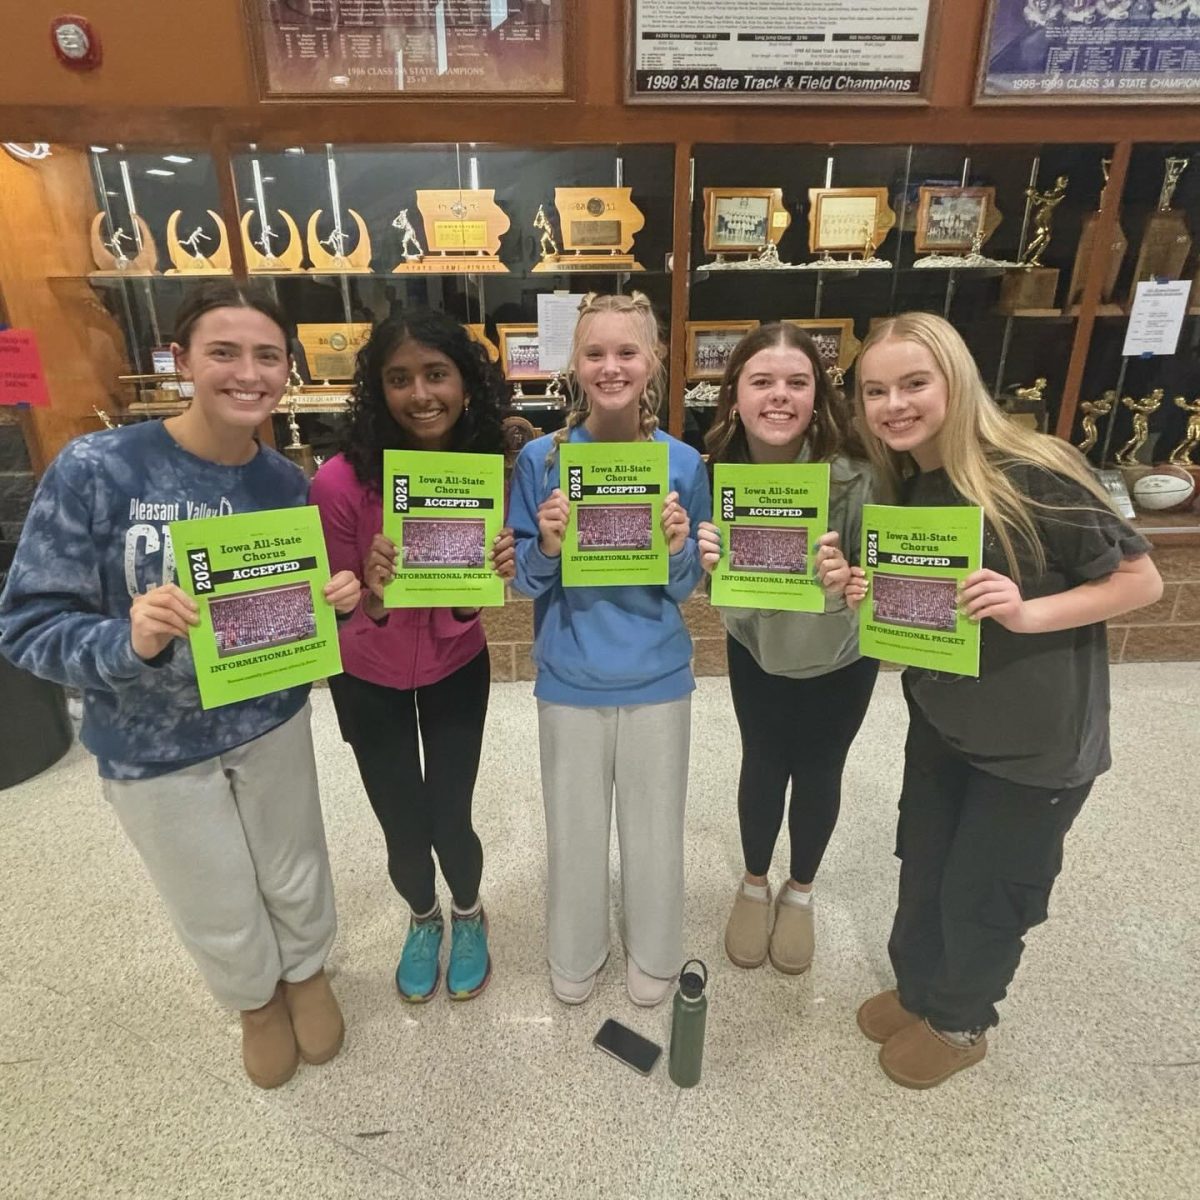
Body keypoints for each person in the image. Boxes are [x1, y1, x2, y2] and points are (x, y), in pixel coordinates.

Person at [0, 282, 361, 1090]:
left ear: (288, 371)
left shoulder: (280, 482)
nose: (247, 373)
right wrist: (127, 640)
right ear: (182, 361)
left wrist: (330, 604)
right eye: (223, 353)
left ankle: (306, 971)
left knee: (295, 863)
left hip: (269, 720)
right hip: (150, 740)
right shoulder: (99, 469)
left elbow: (280, 614)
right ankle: (255, 1001)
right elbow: (25, 625)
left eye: (267, 356)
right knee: (209, 886)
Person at [845, 312, 1162, 1089]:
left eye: (915, 383)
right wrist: (866, 596)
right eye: (876, 390)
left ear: (957, 379)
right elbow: (907, 626)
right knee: (925, 869)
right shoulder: (907, 482)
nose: (895, 405)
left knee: (986, 890)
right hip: (945, 724)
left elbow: (1139, 581)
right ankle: (922, 991)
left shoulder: (1034, 469)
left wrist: (1027, 611)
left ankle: (960, 1022)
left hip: (1035, 745)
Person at [508, 292, 710, 1008]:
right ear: (575, 365)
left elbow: (687, 587)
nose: (611, 366)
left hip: (657, 676)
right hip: (569, 677)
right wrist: (553, 544)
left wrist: (681, 547)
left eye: (627, 352)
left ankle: (655, 951)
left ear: (653, 362)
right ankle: (577, 948)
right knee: (575, 829)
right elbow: (524, 579)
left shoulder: (682, 463)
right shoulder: (542, 459)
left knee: (656, 830)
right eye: (595, 353)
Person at [309, 310, 513, 1004]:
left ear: (465, 382)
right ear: (377, 389)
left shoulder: (484, 468)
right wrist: (373, 593)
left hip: (458, 668)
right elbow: (338, 612)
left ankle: (468, 912)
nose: (421, 394)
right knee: (402, 823)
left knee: (450, 816)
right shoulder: (338, 483)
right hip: (368, 676)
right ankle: (423, 919)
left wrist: (479, 588)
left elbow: (465, 608)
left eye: (436, 374)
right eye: (399, 379)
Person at [696, 323, 878, 977]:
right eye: (762, 381)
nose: (780, 396)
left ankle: (799, 890)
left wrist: (853, 582)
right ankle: (752, 882)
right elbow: (699, 577)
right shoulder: (715, 469)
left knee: (822, 768)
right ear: (735, 395)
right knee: (764, 761)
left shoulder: (857, 475)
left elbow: (893, 586)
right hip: (758, 646)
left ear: (817, 395)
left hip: (842, 655)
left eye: (797, 382)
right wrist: (705, 561)